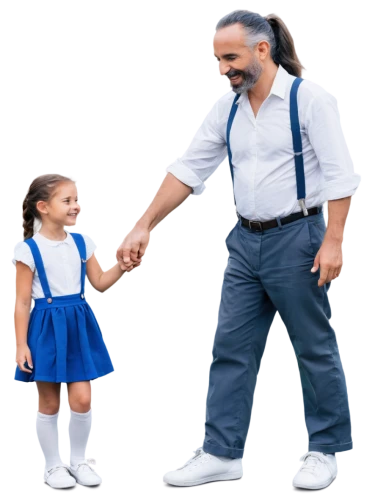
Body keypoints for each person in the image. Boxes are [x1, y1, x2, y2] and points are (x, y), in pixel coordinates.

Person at [116, 10, 358, 492]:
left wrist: (334, 241)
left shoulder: (308, 99)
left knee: (313, 346)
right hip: (244, 241)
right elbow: (187, 167)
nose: (222, 68)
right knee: (229, 346)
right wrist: (142, 222)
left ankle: (325, 450)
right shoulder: (226, 106)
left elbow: (341, 174)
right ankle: (222, 453)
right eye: (217, 59)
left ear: (262, 50)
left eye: (230, 57)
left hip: (298, 237)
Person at [13, 174, 128, 491]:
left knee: (82, 398)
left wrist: (122, 265)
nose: (76, 206)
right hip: (46, 329)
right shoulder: (28, 251)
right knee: (49, 403)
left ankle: (79, 460)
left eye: (77, 200)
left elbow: (100, 281)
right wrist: (21, 343)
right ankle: (53, 466)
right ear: (43, 207)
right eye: (67, 201)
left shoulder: (83, 243)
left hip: (78, 327)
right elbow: (22, 301)